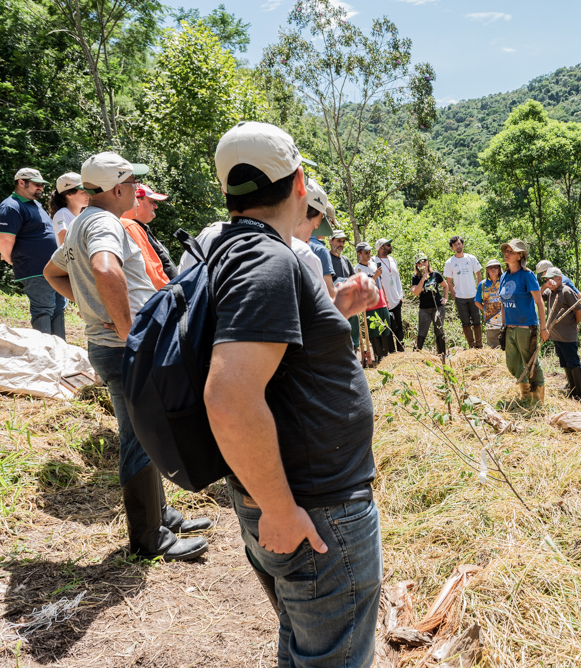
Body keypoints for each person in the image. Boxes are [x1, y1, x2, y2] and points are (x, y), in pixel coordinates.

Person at [201, 121, 382, 667]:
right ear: (299, 182)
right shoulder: (270, 261)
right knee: (334, 657)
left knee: (303, 640)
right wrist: (279, 508)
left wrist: (338, 310)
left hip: (292, 496)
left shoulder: (231, 249)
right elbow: (229, 396)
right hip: (313, 506)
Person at [43, 152, 210, 561]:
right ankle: (149, 538)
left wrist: (92, 309)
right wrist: (127, 330)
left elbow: (53, 272)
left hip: (112, 346)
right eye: (133, 183)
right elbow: (104, 268)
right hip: (122, 349)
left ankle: (161, 515)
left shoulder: (83, 219)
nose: (138, 189)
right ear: (117, 189)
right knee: (137, 437)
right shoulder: (103, 222)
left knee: (147, 432)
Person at [1, 168, 65, 338]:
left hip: (52, 267)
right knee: (44, 309)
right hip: (35, 269)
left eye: (42, 185)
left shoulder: (34, 204)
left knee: (58, 308)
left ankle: (60, 352)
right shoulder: (11, 206)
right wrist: (10, 259)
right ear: (21, 183)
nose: (41, 188)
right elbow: (5, 240)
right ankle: (43, 354)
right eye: (36, 184)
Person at [499, 238, 546, 402]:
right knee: (513, 363)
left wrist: (544, 328)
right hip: (510, 327)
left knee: (531, 362)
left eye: (511, 251)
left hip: (526, 326)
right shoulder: (504, 277)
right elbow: (503, 303)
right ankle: (525, 394)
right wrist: (503, 326)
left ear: (520, 256)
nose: (507, 253)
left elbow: (539, 302)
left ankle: (537, 398)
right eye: (506, 251)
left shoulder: (527, 275)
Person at [541, 267, 581, 403]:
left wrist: (573, 325)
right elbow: (537, 296)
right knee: (566, 363)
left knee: (574, 363)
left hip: (567, 335)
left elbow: (580, 312)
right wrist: (545, 285)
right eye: (546, 279)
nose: (549, 281)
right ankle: (573, 391)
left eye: (552, 278)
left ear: (559, 278)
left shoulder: (567, 291)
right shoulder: (549, 292)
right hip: (556, 336)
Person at [121, 184, 175, 290]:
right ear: (137, 201)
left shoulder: (136, 226)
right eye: (151, 202)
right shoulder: (129, 226)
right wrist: (173, 295)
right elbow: (152, 273)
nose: (156, 206)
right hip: (156, 298)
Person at [444, 235, 483, 349]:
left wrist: (478, 291)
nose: (458, 246)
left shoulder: (471, 258)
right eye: (455, 245)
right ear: (452, 248)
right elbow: (449, 282)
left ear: (463, 244)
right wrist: (454, 296)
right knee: (465, 322)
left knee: (477, 320)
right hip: (460, 297)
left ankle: (479, 345)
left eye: (459, 243)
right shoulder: (449, 262)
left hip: (473, 296)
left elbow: (478, 274)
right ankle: (471, 346)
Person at [356, 241, 391, 364]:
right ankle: (379, 356)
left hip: (381, 300)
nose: (369, 254)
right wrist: (374, 276)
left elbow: (380, 282)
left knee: (386, 327)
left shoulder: (373, 264)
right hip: (370, 303)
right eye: (366, 252)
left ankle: (385, 356)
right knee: (374, 330)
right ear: (359, 254)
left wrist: (385, 297)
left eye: (370, 251)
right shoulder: (357, 269)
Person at [328, 229, 360, 349]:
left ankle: (354, 350)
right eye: (338, 241)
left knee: (353, 326)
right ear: (330, 241)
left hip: (349, 302)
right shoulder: (326, 258)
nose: (341, 244)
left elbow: (353, 279)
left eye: (343, 241)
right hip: (334, 303)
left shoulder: (346, 260)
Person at [290, 180, 327, 283]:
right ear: (302, 212)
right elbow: (322, 299)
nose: (309, 240)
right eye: (313, 228)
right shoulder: (304, 254)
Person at [411, 253, 448, 355]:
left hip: (438, 307)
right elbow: (415, 292)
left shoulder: (435, 274)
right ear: (417, 265)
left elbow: (445, 285)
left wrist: (445, 298)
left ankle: (442, 355)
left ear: (427, 262)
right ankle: (416, 355)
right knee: (422, 332)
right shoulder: (415, 277)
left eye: (424, 261)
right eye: (419, 262)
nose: (422, 264)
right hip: (424, 309)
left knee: (439, 331)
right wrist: (422, 280)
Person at [374, 238, 404, 353]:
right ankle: (392, 353)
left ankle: (402, 351)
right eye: (388, 244)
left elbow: (397, 279)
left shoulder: (392, 260)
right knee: (388, 328)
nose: (391, 246)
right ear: (381, 247)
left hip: (396, 299)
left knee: (399, 327)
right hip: (383, 302)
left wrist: (400, 295)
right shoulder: (374, 261)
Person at [48, 172, 89, 245]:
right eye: (83, 192)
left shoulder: (82, 214)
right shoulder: (62, 214)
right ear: (69, 194)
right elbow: (65, 247)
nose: (88, 195)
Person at [475, 259, 504, 348]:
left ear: (499, 269)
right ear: (487, 270)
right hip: (491, 321)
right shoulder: (483, 284)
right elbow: (477, 302)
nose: (493, 269)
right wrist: (485, 309)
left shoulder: (505, 281)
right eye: (490, 267)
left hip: (506, 320)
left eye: (496, 267)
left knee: (508, 347)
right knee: (493, 348)